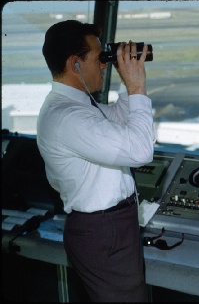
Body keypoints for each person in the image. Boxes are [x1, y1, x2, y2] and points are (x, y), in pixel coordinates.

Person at [37, 20, 156, 302]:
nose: (104, 66)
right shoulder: (68, 117)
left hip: (112, 227)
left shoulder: (76, 108)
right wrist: (138, 87)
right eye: (99, 58)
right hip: (105, 232)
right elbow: (140, 151)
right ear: (75, 63)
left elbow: (119, 119)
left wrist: (129, 84)